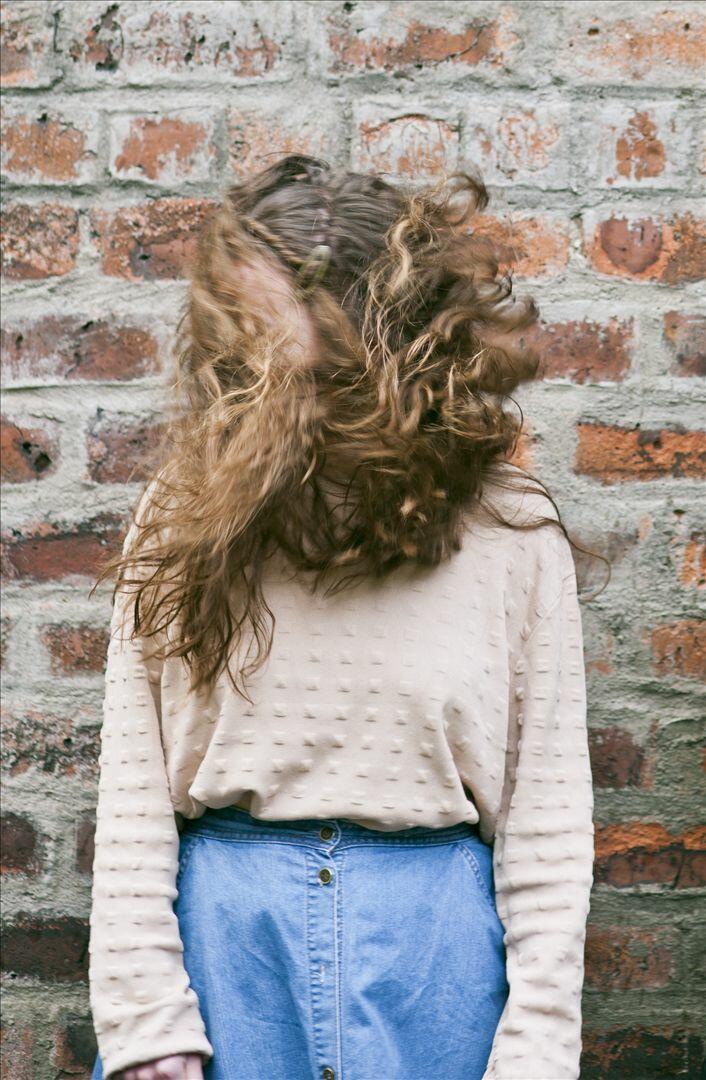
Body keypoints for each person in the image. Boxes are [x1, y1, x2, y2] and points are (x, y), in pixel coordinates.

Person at [87, 154, 601, 1080]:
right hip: (224, 957)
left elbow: (548, 821)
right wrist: (144, 1021)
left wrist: (538, 1047)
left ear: (365, 319)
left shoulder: (511, 530)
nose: (238, 349)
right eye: (227, 319)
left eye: (261, 317)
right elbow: (133, 786)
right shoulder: (184, 511)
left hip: (436, 972)